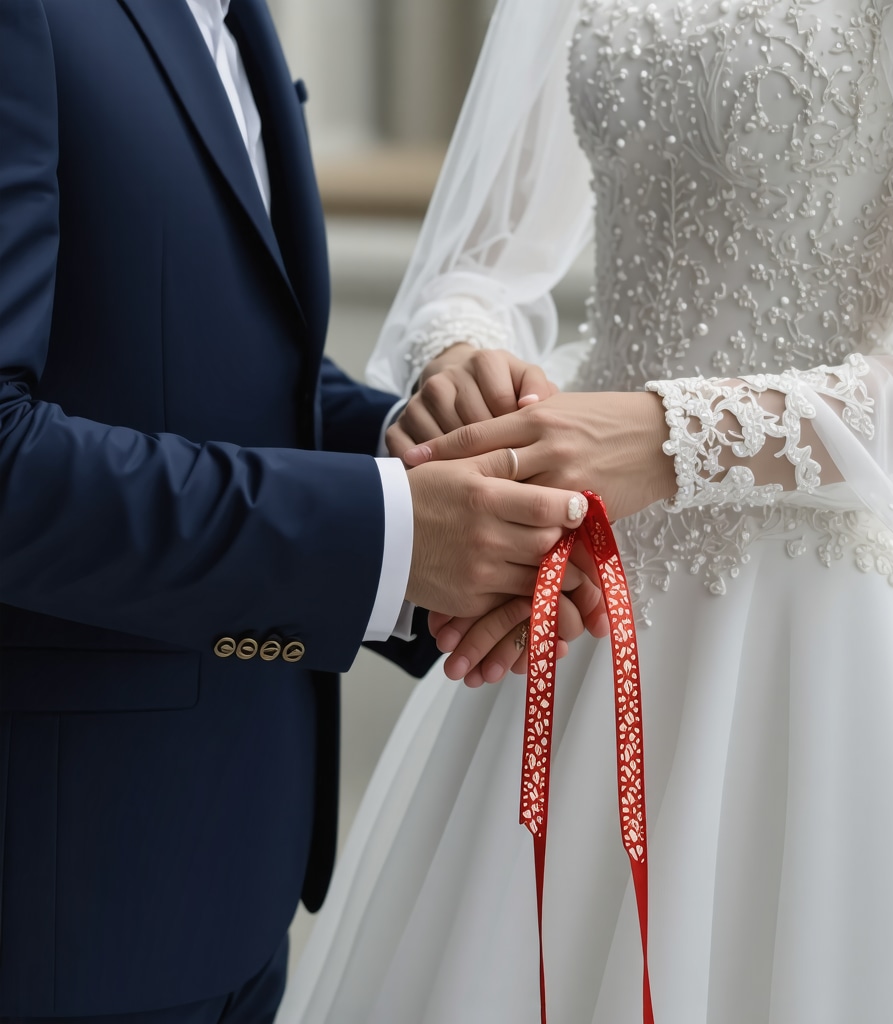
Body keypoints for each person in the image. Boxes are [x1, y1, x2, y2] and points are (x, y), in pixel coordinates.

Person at [279, 0, 893, 1021]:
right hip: (583, 572)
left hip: (832, 616)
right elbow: (476, 264)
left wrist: (671, 435)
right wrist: (460, 361)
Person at [0, 0, 602, 1021]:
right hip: (62, 899)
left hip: (233, 869)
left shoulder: (235, 18)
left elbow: (223, 371)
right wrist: (394, 535)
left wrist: (420, 449)